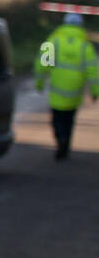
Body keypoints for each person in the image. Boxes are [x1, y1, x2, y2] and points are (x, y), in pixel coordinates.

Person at [34, 12, 99, 159]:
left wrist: (39, 83)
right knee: (69, 119)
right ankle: (66, 143)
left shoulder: (53, 41)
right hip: (75, 91)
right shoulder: (85, 45)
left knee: (57, 119)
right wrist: (95, 91)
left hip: (57, 89)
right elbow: (92, 71)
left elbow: (42, 65)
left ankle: (60, 139)